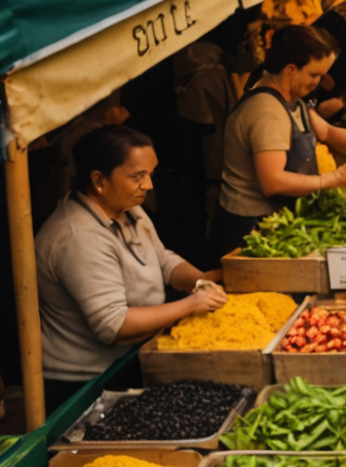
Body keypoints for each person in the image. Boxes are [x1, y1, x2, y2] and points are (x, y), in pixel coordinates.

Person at [37, 125, 227, 407]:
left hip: (128, 360)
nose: (149, 185)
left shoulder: (129, 210)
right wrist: (191, 304)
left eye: (150, 174)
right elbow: (114, 325)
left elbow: (163, 259)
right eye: (137, 176)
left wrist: (200, 281)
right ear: (99, 180)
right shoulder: (77, 237)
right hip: (86, 386)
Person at [215, 24, 346, 263]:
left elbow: (327, 132)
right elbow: (272, 182)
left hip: (279, 217)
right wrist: (337, 179)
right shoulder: (267, 112)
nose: (319, 82)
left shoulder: (292, 100)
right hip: (253, 226)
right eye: (313, 75)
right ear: (290, 70)